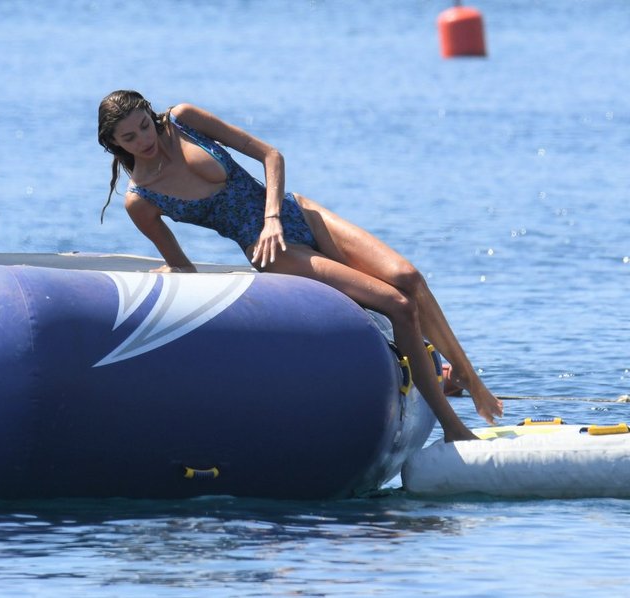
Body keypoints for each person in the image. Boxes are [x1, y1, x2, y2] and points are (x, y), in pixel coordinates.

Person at [97, 90, 503, 442]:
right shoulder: (141, 200)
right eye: (129, 137)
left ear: (150, 114)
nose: (143, 140)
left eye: (144, 126)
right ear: (113, 143)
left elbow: (270, 155)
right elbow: (183, 268)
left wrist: (273, 216)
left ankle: (466, 376)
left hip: (295, 212)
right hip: (272, 252)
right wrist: (166, 273)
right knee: (398, 304)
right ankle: (452, 427)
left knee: (409, 277)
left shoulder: (183, 120)